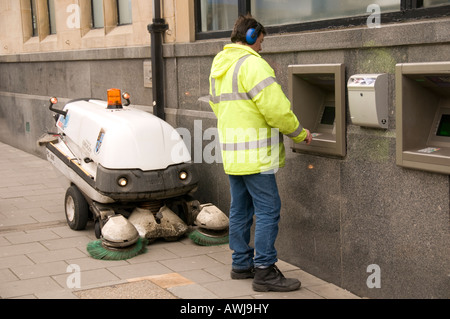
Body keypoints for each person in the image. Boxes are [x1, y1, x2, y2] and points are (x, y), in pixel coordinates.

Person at [208, 14, 312, 292]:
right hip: (256, 155)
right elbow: (276, 109)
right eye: (261, 41)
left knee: (240, 209)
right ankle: (265, 270)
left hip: (233, 153)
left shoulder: (219, 66)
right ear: (252, 37)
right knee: (268, 210)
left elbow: (218, 108)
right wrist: (300, 133)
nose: (262, 48)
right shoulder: (253, 65)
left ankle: (241, 264)